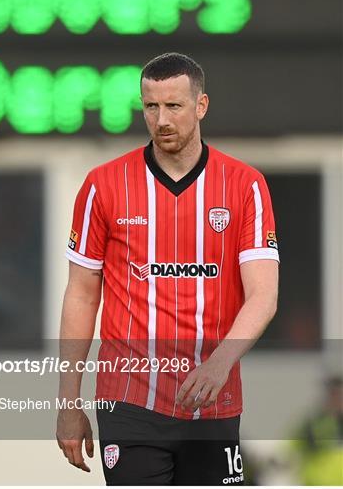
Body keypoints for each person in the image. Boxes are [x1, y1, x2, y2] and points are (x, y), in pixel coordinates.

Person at [56, 52, 279, 485]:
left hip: (213, 399)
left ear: (201, 106)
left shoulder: (245, 185)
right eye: (151, 107)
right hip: (128, 402)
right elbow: (81, 295)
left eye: (174, 106)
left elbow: (263, 296)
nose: (161, 119)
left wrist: (219, 363)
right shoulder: (103, 185)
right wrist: (68, 402)